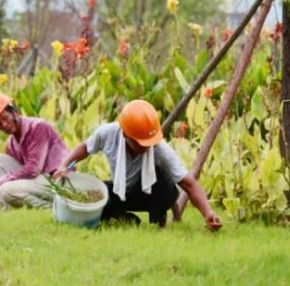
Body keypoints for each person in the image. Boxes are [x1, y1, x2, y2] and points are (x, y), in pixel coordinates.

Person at [54, 99, 222, 231]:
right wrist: (65, 165)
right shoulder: (107, 134)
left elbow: (188, 184)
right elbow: (85, 148)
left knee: (163, 180)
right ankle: (125, 218)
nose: (146, 146)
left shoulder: (159, 148)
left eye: (148, 142)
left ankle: (157, 224)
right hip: (123, 192)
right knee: (97, 194)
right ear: (125, 134)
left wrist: (209, 213)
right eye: (140, 142)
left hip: (151, 195)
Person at [0, 92, 68, 210]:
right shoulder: (11, 143)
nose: (4, 125)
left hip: (56, 181)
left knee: (5, 189)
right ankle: (8, 210)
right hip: (37, 181)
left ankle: (55, 208)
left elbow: (33, 169)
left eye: (5, 118)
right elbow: (17, 175)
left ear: (14, 111)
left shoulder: (38, 127)